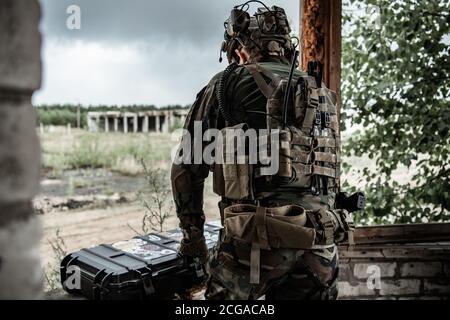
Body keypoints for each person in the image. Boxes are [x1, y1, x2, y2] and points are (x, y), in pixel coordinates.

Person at [171, 2, 355, 300]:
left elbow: (186, 168)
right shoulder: (320, 92)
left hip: (254, 247)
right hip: (321, 246)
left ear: (241, 48)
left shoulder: (225, 83)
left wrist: (193, 239)